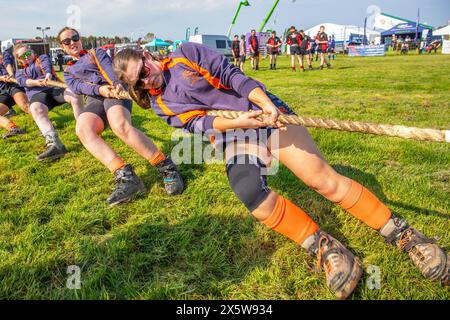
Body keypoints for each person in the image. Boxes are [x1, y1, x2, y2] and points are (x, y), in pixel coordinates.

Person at [113, 42, 449, 299]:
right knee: (249, 192)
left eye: (143, 70)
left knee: (322, 181)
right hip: (236, 131)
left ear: (145, 55)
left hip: (262, 109)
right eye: (137, 81)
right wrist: (239, 123)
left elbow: (231, 75)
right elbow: (200, 124)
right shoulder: (159, 104)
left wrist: (263, 103)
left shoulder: (185, 53)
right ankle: (325, 247)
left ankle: (404, 235)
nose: (146, 79)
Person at [58, 27, 184, 206]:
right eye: (66, 41)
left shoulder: (96, 53)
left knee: (119, 125)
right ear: (62, 47)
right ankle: (126, 177)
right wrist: (99, 89)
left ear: (80, 39)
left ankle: (166, 167)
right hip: (96, 97)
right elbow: (78, 87)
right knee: (83, 129)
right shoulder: (67, 72)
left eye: (75, 38)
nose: (72, 42)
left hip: (116, 92)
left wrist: (116, 85)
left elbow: (109, 70)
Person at [13, 44, 83, 161]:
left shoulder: (42, 58)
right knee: (35, 108)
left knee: (74, 94)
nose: (26, 57)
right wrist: (36, 82)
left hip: (54, 88)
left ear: (32, 52)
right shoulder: (20, 71)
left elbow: (47, 67)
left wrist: (48, 76)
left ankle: (84, 132)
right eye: (22, 56)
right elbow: (24, 81)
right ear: (19, 60)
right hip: (37, 95)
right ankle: (56, 145)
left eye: (27, 53)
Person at [0, 51, 29, 138]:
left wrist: (11, 75)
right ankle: (14, 128)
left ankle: (46, 124)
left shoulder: (5, 54)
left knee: (25, 106)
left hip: (14, 84)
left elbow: (7, 64)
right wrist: (1, 78)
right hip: (3, 90)